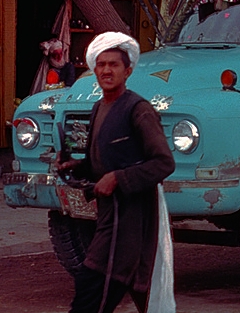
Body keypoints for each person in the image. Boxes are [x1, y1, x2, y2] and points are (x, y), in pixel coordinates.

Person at [57, 32, 175, 313]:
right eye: (101, 65)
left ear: (128, 71)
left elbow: (163, 163)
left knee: (94, 287)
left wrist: (119, 178)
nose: (107, 70)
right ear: (94, 69)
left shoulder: (139, 110)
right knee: (102, 288)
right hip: (109, 217)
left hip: (132, 220)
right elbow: (101, 162)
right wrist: (76, 166)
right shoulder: (99, 107)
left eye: (114, 65)